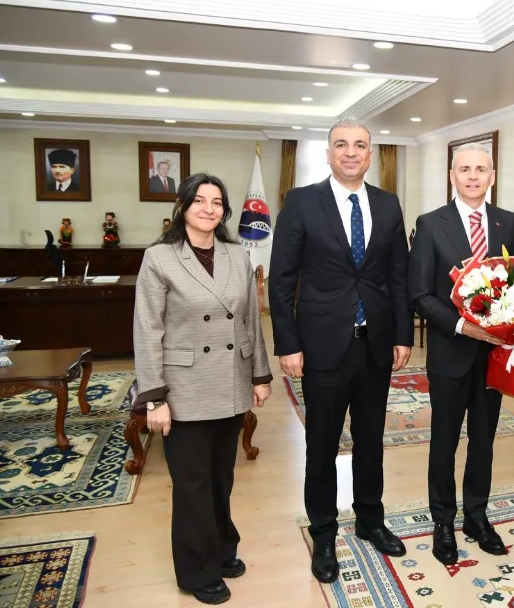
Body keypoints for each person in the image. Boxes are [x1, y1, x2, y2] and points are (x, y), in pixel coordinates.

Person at [268, 118, 413, 584]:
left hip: (374, 345)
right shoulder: (301, 202)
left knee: (371, 441)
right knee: (322, 447)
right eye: (342, 144)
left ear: (371, 155)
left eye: (360, 145)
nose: (351, 152)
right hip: (321, 347)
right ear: (328, 153)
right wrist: (288, 342)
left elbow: (399, 275)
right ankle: (324, 534)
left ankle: (370, 519)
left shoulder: (388, 204)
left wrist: (403, 334)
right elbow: (282, 278)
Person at [132, 173, 272, 605]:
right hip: (183, 387)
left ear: (225, 211)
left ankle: (223, 547)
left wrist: (260, 375)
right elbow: (147, 329)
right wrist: (154, 397)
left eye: (216, 202)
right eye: (199, 201)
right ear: (183, 206)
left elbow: (250, 321)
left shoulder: (237, 255)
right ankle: (197, 570)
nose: (208, 209)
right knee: (192, 482)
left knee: (221, 476)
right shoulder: (159, 258)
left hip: (230, 380)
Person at [408, 143, 514, 565]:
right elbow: (420, 293)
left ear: (492, 175)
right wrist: (462, 325)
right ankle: (443, 521)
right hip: (450, 351)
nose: (473, 176)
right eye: (465, 169)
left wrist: (511, 325)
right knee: (444, 441)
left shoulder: (507, 221)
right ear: (452, 176)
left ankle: (477, 516)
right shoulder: (430, 223)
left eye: (481, 169)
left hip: (493, 355)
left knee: (484, 440)